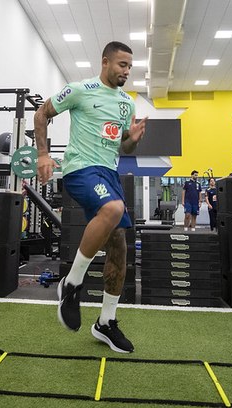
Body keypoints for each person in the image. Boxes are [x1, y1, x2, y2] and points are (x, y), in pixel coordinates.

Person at [34, 41, 147, 353]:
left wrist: (133, 140)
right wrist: (43, 154)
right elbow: (41, 113)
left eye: (129, 67)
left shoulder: (126, 104)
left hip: (109, 173)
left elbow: (123, 147)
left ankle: (105, 323)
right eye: (122, 65)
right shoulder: (80, 89)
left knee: (120, 246)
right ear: (105, 61)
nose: (126, 71)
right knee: (113, 208)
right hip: (81, 169)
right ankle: (71, 284)